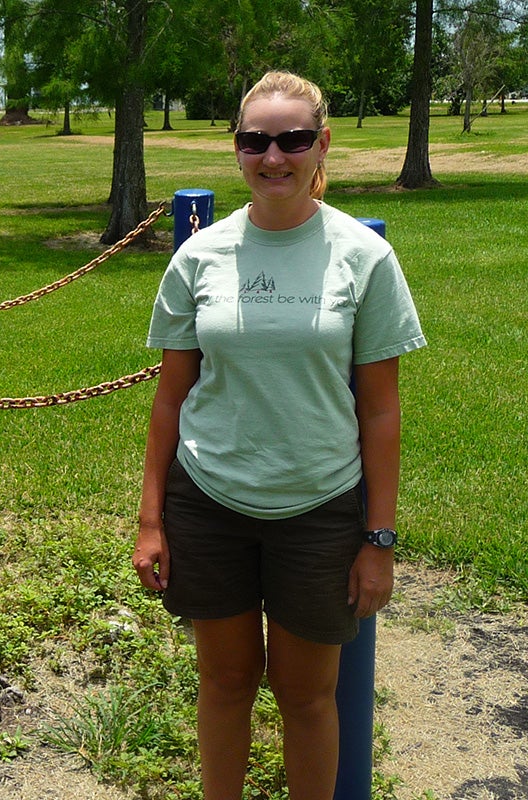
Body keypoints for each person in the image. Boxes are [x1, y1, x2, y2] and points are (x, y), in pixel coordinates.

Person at [132, 71, 427, 800]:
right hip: (210, 501)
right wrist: (149, 520)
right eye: (255, 140)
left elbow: (381, 411)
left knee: (307, 698)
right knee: (225, 683)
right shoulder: (200, 257)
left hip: (321, 507)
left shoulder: (364, 258)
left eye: (293, 139)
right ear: (235, 148)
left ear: (321, 143)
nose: (274, 157)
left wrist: (378, 539)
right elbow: (170, 399)